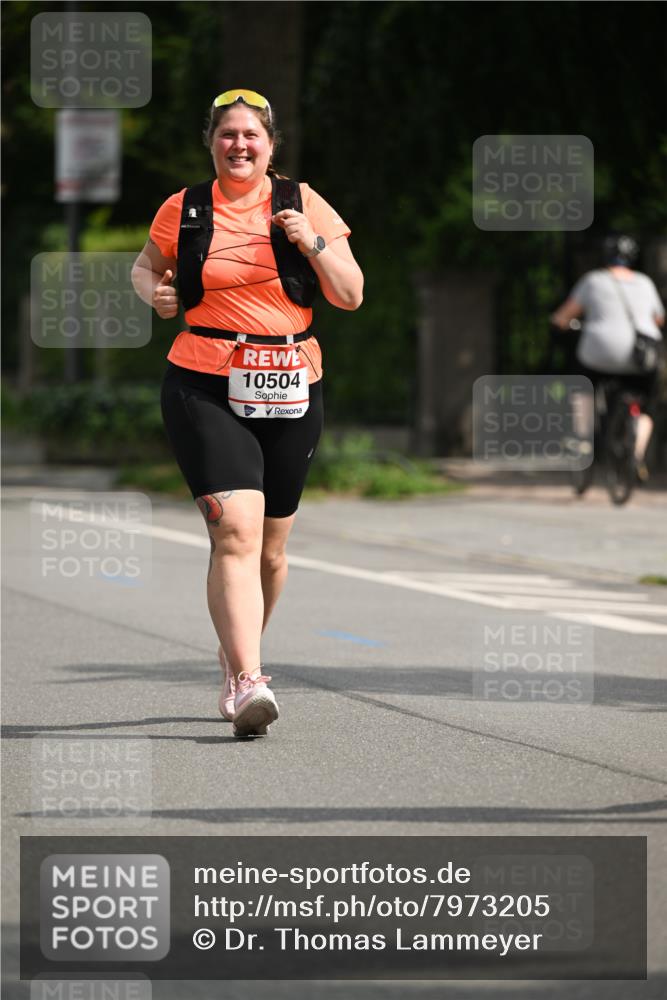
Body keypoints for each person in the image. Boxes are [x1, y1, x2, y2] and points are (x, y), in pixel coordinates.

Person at [131, 88, 363, 737]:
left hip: (292, 382)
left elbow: (349, 294)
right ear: (212, 142)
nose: (239, 145)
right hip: (203, 382)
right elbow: (145, 268)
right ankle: (247, 681)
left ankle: (236, 656)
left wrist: (310, 242)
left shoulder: (302, 202)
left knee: (271, 550)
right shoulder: (185, 208)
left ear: (270, 144)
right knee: (235, 531)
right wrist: (158, 294)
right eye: (227, 134)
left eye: (250, 135)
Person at [550, 234, 665, 479]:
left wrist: (561, 322)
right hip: (641, 355)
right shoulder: (644, 282)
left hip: (599, 353)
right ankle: (637, 451)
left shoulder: (593, 280)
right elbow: (658, 319)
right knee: (645, 406)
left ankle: (581, 439)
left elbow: (565, 315)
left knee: (582, 388)